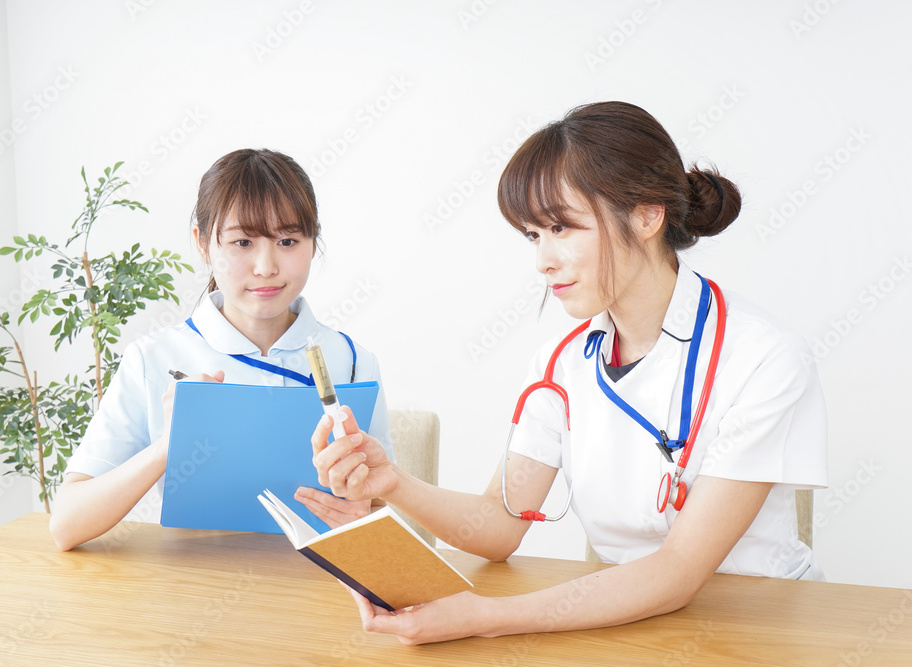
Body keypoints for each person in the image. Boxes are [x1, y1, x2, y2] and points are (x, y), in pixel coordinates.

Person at [311, 102, 828, 644]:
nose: (543, 261)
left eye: (560, 227)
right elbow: (499, 524)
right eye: (534, 235)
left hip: (756, 627)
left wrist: (486, 617)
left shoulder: (763, 357)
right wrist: (393, 482)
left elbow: (678, 570)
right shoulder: (559, 365)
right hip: (626, 624)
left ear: (646, 217)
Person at [50, 148, 393, 551]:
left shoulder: (352, 362)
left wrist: (364, 514)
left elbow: (379, 511)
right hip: (195, 581)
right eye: (242, 242)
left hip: (321, 579)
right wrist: (169, 446)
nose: (266, 266)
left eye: (287, 240)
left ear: (313, 242)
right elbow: (67, 525)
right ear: (202, 243)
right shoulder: (153, 359)